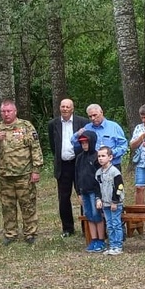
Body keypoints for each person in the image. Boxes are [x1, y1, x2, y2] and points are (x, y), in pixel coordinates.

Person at [0, 100, 43, 244]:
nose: (6, 114)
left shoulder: (26, 126)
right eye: (3, 111)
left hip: (24, 174)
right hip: (5, 176)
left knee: (28, 204)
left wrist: (36, 170)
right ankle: (10, 234)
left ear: (15, 112)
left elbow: (35, 148)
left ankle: (30, 234)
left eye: (9, 111)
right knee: (7, 206)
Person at [47, 99, 89, 237]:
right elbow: (53, 146)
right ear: (59, 108)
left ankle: (86, 227)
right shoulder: (53, 124)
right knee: (63, 198)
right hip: (63, 165)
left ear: (72, 109)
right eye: (63, 106)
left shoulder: (82, 122)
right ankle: (68, 228)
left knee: (84, 195)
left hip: (79, 164)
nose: (65, 109)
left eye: (68, 107)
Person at [74, 131, 105, 252]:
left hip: (94, 192)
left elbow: (100, 179)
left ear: (92, 142)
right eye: (82, 143)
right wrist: (78, 192)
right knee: (89, 216)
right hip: (84, 192)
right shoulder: (79, 158)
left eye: (86, 142)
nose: (84, 145)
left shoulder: (97, 158)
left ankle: (101, 240)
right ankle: (93, 239)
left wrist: (99, 196)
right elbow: (76, 176)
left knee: (97, 215)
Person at [94, 145, 125, 255]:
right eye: (99, 156)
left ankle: (118, 246)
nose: (101, 158)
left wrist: (115, 201)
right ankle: (112, 245)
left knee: (116, 224)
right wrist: (98, 199)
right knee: (110, 224)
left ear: (110, 157)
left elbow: (119, 187)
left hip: (114, 203)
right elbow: (97, 188)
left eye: (103, 156)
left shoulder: (114, 172)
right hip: (105, 203)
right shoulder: (98, 173)